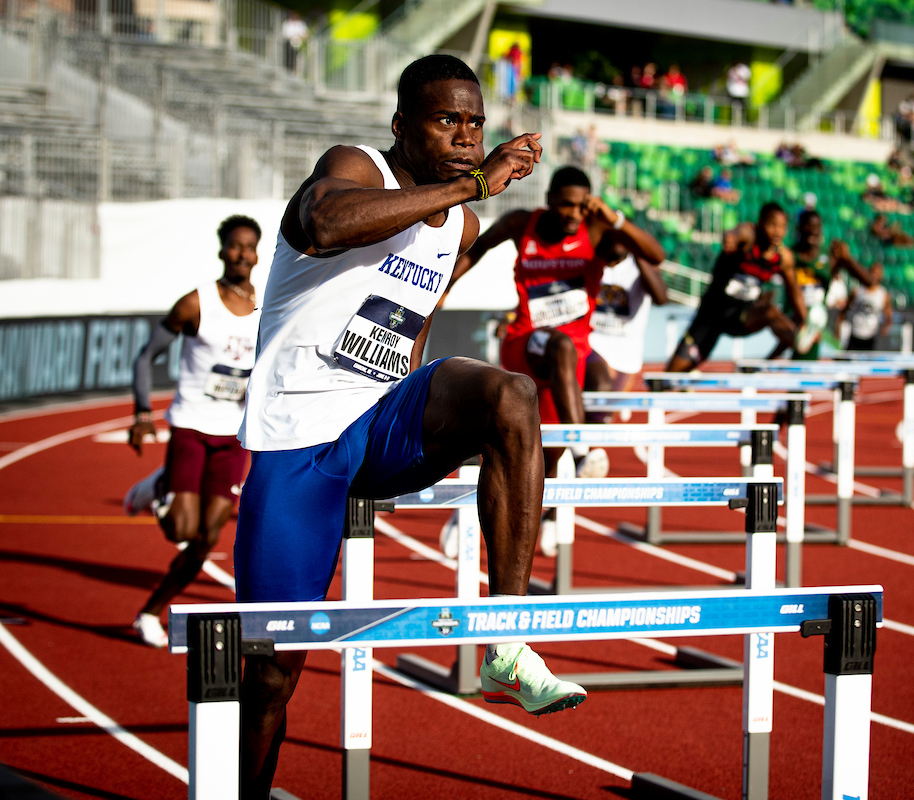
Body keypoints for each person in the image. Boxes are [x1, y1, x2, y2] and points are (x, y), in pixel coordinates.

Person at [233, 55, 586, 798]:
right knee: (270, 671)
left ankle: (507, 637)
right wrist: (473, 183)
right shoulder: (356, 165)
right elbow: (321, 224)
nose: (465, 135)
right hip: (299, 433)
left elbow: (408, 328)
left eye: (475, 123)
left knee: (512, 397)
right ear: (401, 127)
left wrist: (417, 417)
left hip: (380, 417)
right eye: (446, 120)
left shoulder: (460, 222)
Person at [444, 165, 664, 553]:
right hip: (526, 343)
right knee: (558, 354)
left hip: (573, 355)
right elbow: (478, 248)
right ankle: (585, 453)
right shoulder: (521, 224)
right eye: (566, 205)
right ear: (549, 201)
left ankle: (553, 504)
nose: (574, 214)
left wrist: (614, 218)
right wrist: (444, 287)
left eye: (581, 207)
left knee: (539, 450)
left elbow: (655, 255)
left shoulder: (596, 230)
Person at [122, 215, 261, 649]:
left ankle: (150, 612)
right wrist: (143, 413)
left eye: (249, 247)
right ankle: (160, 484)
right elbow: (146, 357)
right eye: (234, 246)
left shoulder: (266, 306)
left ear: (257, 254)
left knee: (205, 540)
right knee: (179, 530)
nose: (241, 254)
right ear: (222, 251)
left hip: (231, 435)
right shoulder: (195, 303)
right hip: (191, 424)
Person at [666, 202, 803, 371]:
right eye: (772, 225)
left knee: (772, 313)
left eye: (782, 227)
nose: (778, 232)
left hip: (741, 318)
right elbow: (739, 232)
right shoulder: (749, 237)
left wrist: (804, 319)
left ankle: (784, 350)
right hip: (711, 317)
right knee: (671, 377)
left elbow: (794, 291)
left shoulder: (783, 258)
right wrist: (731, 237)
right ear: (760, 223)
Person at [768, 209, 871, 360]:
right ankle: (765, 364)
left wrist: (848, 260)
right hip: (791, 319)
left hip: (816, 321)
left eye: (816, 227)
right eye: (808, 226)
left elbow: (869, 282)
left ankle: (766, 363)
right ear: (799, 228)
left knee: (804, 366)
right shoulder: (789, 255)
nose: (813, 231)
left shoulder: (829, 257)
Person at [585, 232, 668, 420]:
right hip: (593, 342)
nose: (618, 241)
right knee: (598, 389)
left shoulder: (638, 266)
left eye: (623, 237)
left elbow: (661, 298)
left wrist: (638, 250)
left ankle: (582, 449)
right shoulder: (591, 261)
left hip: (626, 352)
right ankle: (578, 447)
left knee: (602, 415)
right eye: (614, 235)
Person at [838, 262, 892, 350]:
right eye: (873, 272)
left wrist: (886, 326)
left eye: (878, 274)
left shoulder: (883, 294)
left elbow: (888, 314)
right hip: (855, 333)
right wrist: (839, 323)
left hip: (871, 336)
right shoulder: (858, 290)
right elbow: (845, 308)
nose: (874, 276)